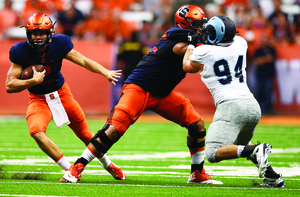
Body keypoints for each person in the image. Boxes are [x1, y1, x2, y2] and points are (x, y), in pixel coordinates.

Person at [62, 5, 223, 185]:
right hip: (139, 88)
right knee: (114, 129)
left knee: (197, 123)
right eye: (197, 24)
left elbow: (198, 51)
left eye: (202, 24)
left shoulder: (190, 41)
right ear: (185, 24)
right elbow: (186, 48)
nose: (201, 28)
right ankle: (76, 167)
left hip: (162, 94)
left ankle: (197, 173)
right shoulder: (176, 35)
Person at [5, 13, 125, 181]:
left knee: (85, 135)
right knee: (36, 131)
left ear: (50, 33)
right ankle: (69, 168)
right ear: (28, 34)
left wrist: (105, 72)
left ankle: (108, 164)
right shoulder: (20, 51)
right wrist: (33, 80)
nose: (38, 37)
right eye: (34, 33)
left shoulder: (60, 44)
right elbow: (9, 85)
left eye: (42, 33)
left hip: (62, 94)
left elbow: (83, 60)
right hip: (38, 99)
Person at [182, 15, 285, 187]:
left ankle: (257, 149)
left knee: (213, 153)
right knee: (242, 145)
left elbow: (187, 65)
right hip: (252, 105)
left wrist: (192, 44)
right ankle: (273, 177)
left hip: (231, 106)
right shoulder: (240, 43)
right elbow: (224, 41)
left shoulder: (204, 52)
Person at [253, 34, 276, 115]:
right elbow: (256, 62)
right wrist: (265, 59)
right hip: (260, 75)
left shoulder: (272, 49)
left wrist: (262, 60)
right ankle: (260, 109)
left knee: (268, 92)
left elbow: (271, 59)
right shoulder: (258, 51)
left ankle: (268, 110)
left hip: (268, 74)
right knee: (259, 92)